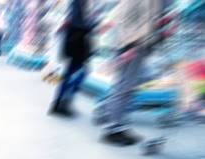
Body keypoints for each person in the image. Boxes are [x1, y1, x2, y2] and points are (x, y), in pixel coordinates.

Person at [97, 0, 172, 145]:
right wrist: (128, 46)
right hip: (132, 44)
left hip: (143, 43)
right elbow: (124, 15)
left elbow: (150, 18)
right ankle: (111, 129)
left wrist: (162, 29)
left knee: (132, 84)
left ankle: (117, 122)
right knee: (124, 86)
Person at [49, 0, 98, 117]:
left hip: (76, 41)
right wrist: (93, 26)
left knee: (71, 73)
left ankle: (59, 104)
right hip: (77, 42)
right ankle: (62, 104)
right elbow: (78, 22)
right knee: (77, 73)